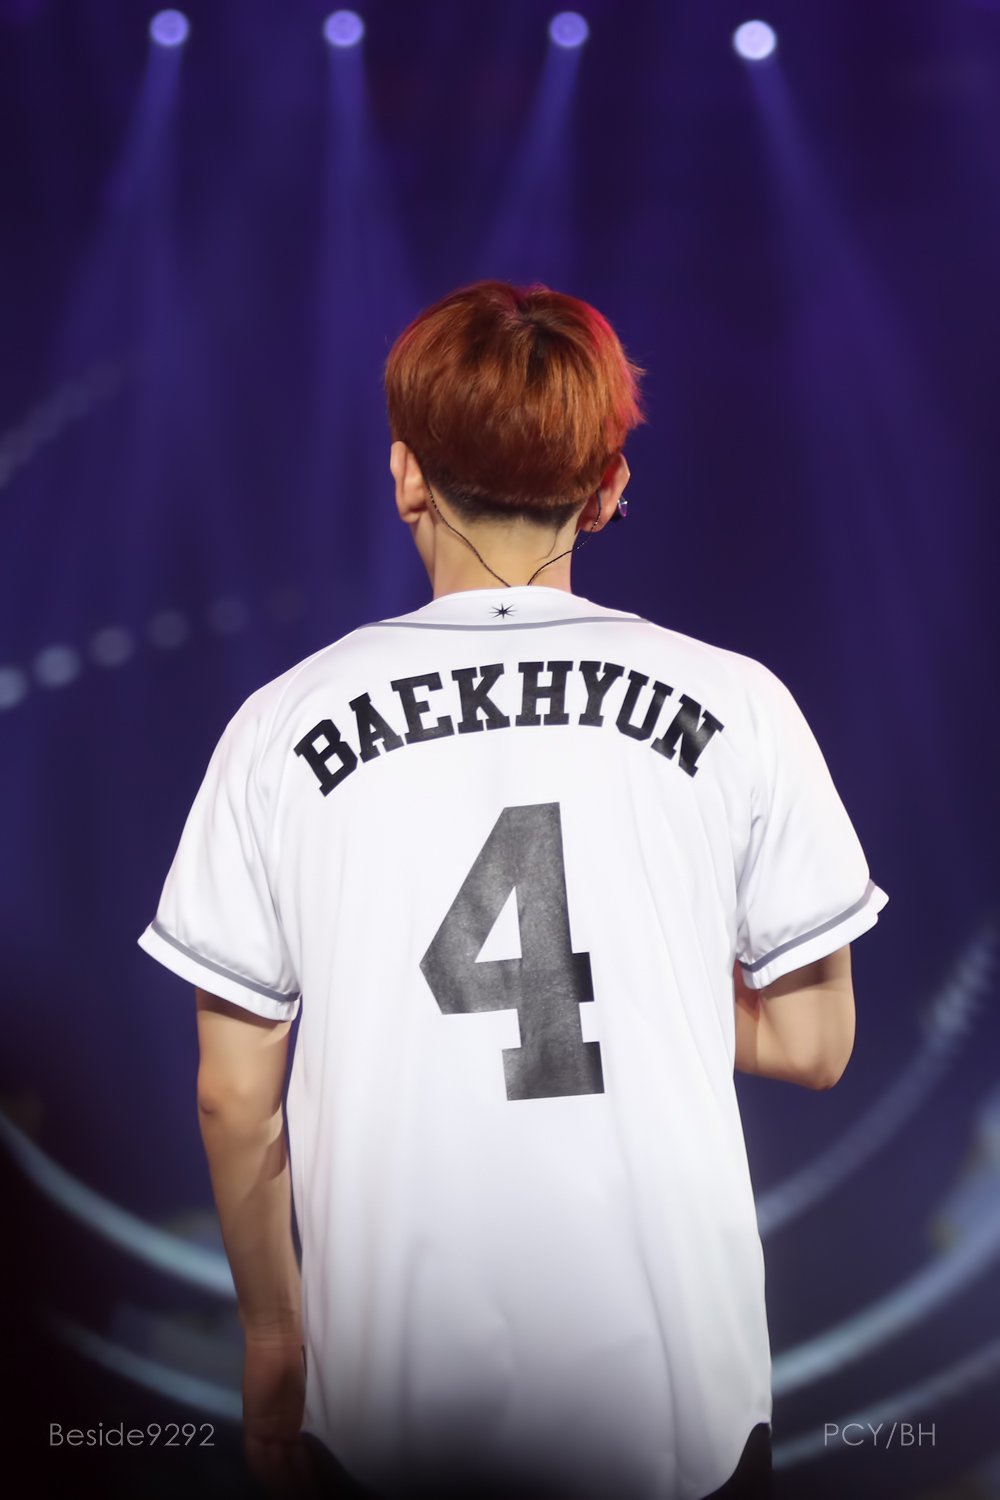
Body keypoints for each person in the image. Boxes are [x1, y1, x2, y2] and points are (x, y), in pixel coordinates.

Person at [137, 279, 888, 1500]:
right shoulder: (741, 705)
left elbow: (235, 1095)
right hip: (679, 1418)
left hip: (385, 1415)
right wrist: (641, 968)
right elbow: (813, 1043)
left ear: (406, 476)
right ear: (607, 487)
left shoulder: (278, 728)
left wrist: (274, 1336)